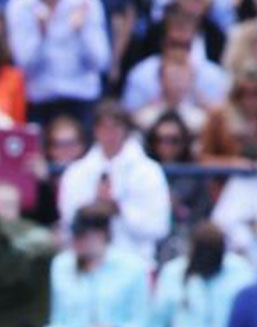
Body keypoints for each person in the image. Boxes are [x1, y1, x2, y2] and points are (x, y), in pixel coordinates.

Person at [7, 0, 113, 133]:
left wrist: (82, 32)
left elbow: (101, 62)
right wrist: (40, 33)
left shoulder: (86, 2)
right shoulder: (19, 6)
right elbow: (23, 64)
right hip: (40, 100)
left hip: (81, 98)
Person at [56, 101, 173, 269]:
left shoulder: (149, 172)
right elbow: (68, 222)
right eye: (104, 128)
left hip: (136, 263)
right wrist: (95, 205)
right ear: (95, 131)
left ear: (126, 130)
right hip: (85, 264)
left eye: (115, 127)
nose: (110, 134)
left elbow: (158, 227)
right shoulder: (76, 173)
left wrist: (119, 208)